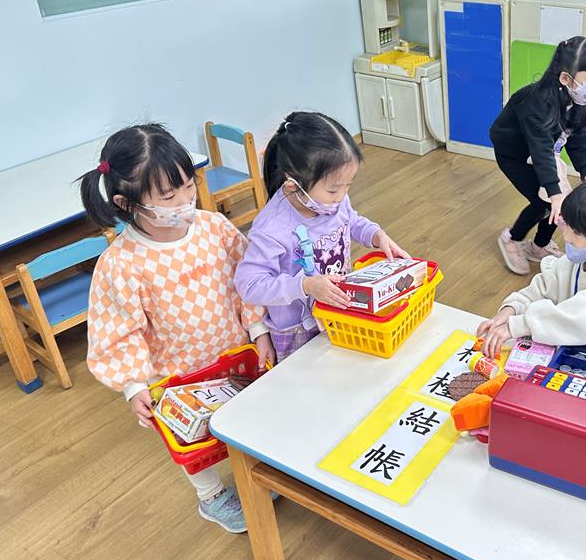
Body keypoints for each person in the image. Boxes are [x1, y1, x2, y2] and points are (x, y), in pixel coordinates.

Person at [80, 123, 274, 534]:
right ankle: (211, 496)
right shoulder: (121, 263)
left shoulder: (214, 228)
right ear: (127, 203)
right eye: (169, 196)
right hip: (174, 374)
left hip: (231, 351)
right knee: (192, 440)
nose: (185, 201)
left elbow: (244, 280)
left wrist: (258, 329)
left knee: (243, 414)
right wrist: (134, 385)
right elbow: (119, 331)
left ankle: (253, 470)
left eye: (189, 186)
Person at [235, 112, 410, 362]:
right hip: (298, 330)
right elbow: (249, 285)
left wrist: (376, 235)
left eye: (348, 185)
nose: (342, 197)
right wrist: (305, 285)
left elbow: (351, 220)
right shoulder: (272, 228)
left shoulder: (332, 200)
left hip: (337, 309)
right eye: (333, 189)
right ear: (293, 182)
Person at [477, 173, 586, 358]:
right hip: (576, 355)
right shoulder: (576, 261)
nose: (566, 236)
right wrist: (512, 308)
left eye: (576, 232)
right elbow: (541, 289)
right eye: (567, 225)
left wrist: (519, 325)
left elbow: (581, 319)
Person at [490, 36, 586, 275]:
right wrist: (553, 191)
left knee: (560, 204)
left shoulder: (576, 100)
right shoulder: (534, 102)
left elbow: (579, 139)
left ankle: (538, 246)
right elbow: (539, 148)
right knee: (545, 201)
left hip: (544, 153)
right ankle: (512, 238)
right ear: (565, 78)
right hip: (515, 155)